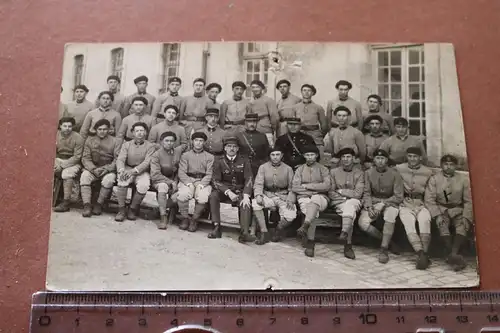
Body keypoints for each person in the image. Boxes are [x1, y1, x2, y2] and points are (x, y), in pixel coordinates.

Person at [424, 154, 473, 272]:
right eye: (446, 164)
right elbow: (429, 199)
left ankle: (453, 254)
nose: (448, 167)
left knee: (462, 225)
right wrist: (437, 215)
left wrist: (467, 216)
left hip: (457, 209)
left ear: (456, 166)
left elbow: (468, 200)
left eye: (451, 164)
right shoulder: (434, 179)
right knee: (442, 225)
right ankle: (454, 256)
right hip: (441, 209)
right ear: (441, 165)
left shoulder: (463, 179)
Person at [358, 149, 404, 264]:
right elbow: (367, 193)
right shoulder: (368, 173)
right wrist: (369, 207)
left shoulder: (395, 173)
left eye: (383, 158)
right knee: (363, 223)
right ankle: (389, 242)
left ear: (387, 160)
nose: (380, 161)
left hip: (391, 203)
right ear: (374, 160)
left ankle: (383, 249)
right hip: (373, 203)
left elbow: (398, 196)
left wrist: (383, 204)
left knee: (390, 216)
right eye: (378, 158)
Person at [209, 136, 253, 242]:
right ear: (225, 148)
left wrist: (246, 194)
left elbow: (249, 178)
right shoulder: (219, 161)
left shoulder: (244, 160)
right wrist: (228, 192)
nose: (232, 149)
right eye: (229, 146)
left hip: (239, 190)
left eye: (234, 146)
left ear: (238, 149)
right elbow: (215, 180)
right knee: (213, 196)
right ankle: (216, 227)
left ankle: (245, 232)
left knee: (245, 201)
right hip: (224, 191)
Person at [396, 147, 434, 270]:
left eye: (415, 156)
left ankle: (425, 254)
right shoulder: (399, 168)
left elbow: (430, 191)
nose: (412, 159)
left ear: (420, 158)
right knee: (409, 224)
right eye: (410, 156)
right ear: (407, 157)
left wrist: (428, 206)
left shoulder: (427, 172)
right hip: (405, 203)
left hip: (421, 203)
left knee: (425, 220)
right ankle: (421, 254)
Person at [292, 145, 331, 257]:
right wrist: (314, 191)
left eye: (312, 155)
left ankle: (308, 237)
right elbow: (295, 187)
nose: (309, 157)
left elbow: (327, 186)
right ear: (304, 156)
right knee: (312, 211)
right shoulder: (300, 169)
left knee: (314, 202)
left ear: (316, 155)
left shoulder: (323, 169)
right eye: (307, 155)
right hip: (304, 197)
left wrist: (307, 186)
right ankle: (310, 242)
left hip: (321, 198)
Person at [253, 147, 297, 244]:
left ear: (281, 155)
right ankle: (264, 232)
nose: (275, 157)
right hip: (268, 194)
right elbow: (258, 183)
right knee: (256, 204)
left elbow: (292, 187)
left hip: (283, 195)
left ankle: (278, 229)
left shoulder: (288, 169)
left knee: (290, 216)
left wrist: (290, 198)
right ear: (269, 156)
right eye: (273, 155)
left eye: (277, 155)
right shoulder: (263, 167)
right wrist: (258, 195)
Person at [114, 122, 156, 222]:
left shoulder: (150, 146)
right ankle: (121, 209)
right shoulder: (126, 144)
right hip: (127, 168)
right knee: (122, 180)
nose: (139, 133)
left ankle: (132, 209)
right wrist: (121, 170)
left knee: (144, 185)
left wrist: (134, 171)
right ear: (133, 133)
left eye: (142, 131)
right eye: (137, 131)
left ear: (145, 132)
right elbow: (120, 159)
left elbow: (147, 162)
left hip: (142, 171)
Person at [173, 132, 214, 232]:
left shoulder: (209, 157)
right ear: (192, 142)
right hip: (188, 179)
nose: (198, 143)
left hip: (202, 180)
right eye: (196, 141)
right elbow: (181, 172)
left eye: (201, 141)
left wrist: (202, 184)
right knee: (183, 194)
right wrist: (188, 182)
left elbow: (209, 174)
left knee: (203, 196)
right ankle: (185, 218)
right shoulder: (185, 155)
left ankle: (194, 220)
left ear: (204, 142)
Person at [328, 148, 364, 260]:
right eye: (343, 157)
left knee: (351, 206)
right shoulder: (333, 172)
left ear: (353, 159)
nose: (345, 159)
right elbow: (330, 191)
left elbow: (358, 194)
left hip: (354, 201)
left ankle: (345, 234)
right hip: (338, 202)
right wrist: (345, 197)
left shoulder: (359, 173)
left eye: (348, 157)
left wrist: (342, 192)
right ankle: (348, 245)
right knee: (350, 211)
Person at [80, 119, 120, 217]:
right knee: (84, 176)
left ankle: (99, 204)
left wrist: (107, 169)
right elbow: (85, 158)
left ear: (109, 130)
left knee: (109, 180)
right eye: (100, 129)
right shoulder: (89, 140)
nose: (102, 131)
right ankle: (87, 205)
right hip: (93, 169)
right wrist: (93, 169)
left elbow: (117, 159)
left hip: (108, 169)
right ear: (95, 130)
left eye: (105, 129)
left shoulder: (115, 141)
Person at [150, 131, 183, 230]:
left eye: (172, 141)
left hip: (175, 179)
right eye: (167, 141)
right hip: (160, 180)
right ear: (161, 142)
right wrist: (170, 182)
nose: (169, 143)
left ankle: (158, 209)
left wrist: (176, 181)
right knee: (163, 187)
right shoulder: (156, 154)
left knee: (181, 193)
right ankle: (163, 217)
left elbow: (180, 169)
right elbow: (155, 174)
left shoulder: (178, 152)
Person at [53, 117, 84, 213]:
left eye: (70, 126)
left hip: (73, 162)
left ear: (73, 127)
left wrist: (62, 165)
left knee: (66, 173)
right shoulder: (55, 135)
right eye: (65, 126)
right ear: (60, 126)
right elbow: (51, 151)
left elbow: (77, 157)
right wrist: (56, 163)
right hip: (57, 159)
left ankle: (66, 202)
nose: (67, 128)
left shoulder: (78, 137)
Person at [292, 84, 328, 160]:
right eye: (304, 90)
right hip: (300, 135)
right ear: (301, 92)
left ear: (313, 93)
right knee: (300, 157)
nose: (306, 92)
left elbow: (324, 125)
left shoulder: (318, 108)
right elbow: (292, 124)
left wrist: (319, 135)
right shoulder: (295, 107)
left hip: (314, 135)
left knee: (317, 157)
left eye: (309, 90)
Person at [248, 79, 279, 146]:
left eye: (257, 87)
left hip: (265, 130)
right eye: (253, 87)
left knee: (268, 150)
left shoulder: (268, 100)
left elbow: (274, 116)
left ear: (262, 88)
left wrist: (273, 129)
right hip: (253, 130)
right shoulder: (250, 102)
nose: (255, 89)